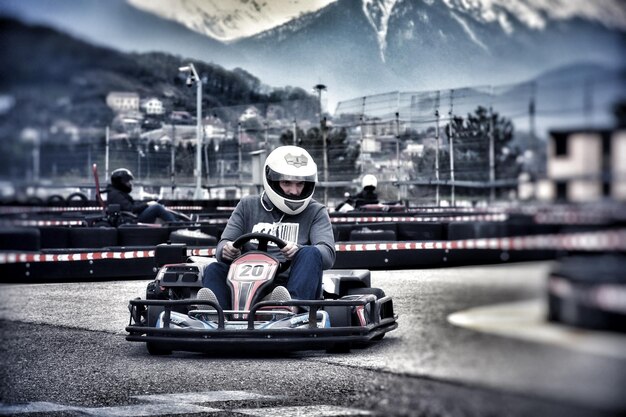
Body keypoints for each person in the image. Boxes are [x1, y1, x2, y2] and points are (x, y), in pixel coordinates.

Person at [200, 145, 336, 308]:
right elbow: (222, 246)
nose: (294, 191)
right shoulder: (247, 205)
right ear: (272, 180)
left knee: (310, 252)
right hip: (244, 285)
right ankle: (216, 313)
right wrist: (227, 250)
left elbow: (327, 255)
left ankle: (288, 307)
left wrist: (298, 250)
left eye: (299, 184)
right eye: (287, 183)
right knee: (214, 268)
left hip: (289, 282)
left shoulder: (316, 211)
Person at [105, 168, 177, 223]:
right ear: (120, 182)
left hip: (131, 217)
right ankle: (176, 226)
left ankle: (176, 222)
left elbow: (132, 204)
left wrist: (149, 202)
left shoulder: (116, 192)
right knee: (157, 207)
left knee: (157, 205)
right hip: (132, 219)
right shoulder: (115, 194)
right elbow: (131, 208)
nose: (130, 183)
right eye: (127, 181)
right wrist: (147, 204)